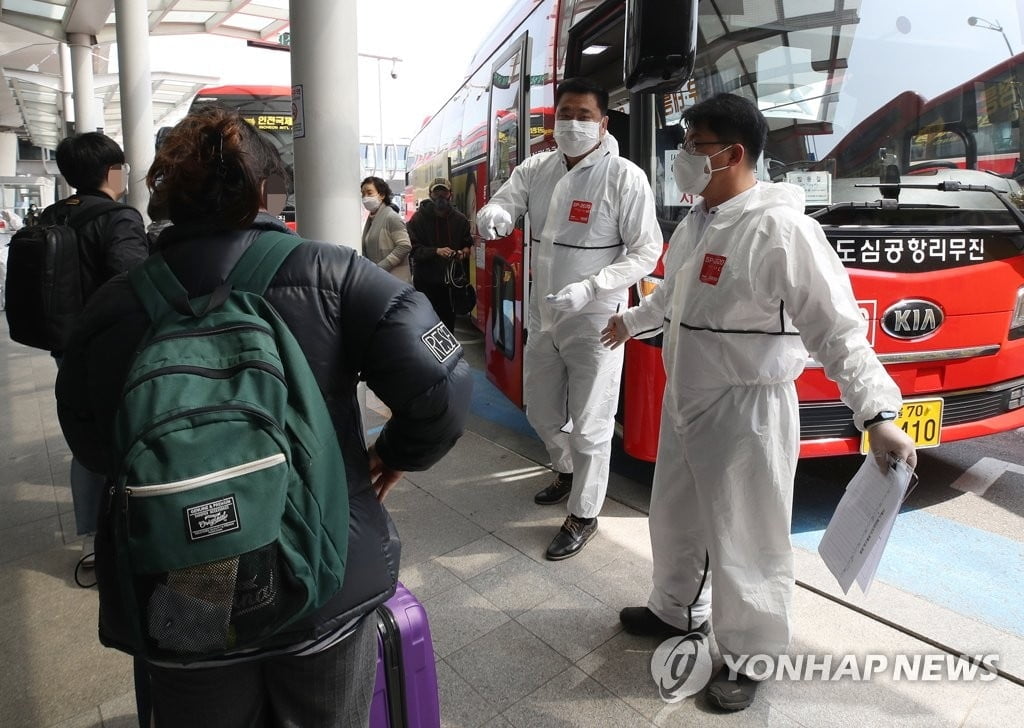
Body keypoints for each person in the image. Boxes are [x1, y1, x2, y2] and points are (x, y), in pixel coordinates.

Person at [55, 105, 472, 727]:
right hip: (323, 573)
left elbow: (89, 439)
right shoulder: (333, 273)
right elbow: (444, 375)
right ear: (267, 190)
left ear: (168, 195)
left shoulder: (116, 306)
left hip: (182, 578)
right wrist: (394, 455)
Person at [601, 93, 917, 711]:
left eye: (692, 146)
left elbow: (839, 330)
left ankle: (750, 655)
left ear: (732, 154)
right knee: (674, 517)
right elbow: (672, 298)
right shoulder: (697, 223)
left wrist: (877, 414)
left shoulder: (783, 230)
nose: (681, 159)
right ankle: (675, 610)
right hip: (686, 399)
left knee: (749, 537)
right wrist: (633, 322)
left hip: (748, 411)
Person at [476, 77, 661, 561]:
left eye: (583, 116)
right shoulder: (537, 167)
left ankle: (584, 513)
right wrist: (493, 216)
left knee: (593, 425)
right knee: (539, 410)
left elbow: (646, 250)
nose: (572, 124)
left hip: (597, 321)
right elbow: (505, 202)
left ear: (602, 124)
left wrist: (595, 286)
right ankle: (565, 468)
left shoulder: (624, 177)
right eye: (565, 115)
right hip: (545, 315)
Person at [43, 132, 150, 570]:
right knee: (126, 435)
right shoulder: (118, 218)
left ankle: (90, 538)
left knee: (86, 440)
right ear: (111, 171)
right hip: (111, 349)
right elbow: (135, 282)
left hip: (65, 344)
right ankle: (133, 533)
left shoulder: (52, 215)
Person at [407, 177, 473, 332]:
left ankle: (447, 355)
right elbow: (413, 250)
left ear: (450, 194)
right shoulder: (418, 220)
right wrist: (436, 251)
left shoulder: (460, 220)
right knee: (425, 325)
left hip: (449, 286)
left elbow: (467, 246)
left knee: (447, 326)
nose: (440, 196)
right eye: (437, 192)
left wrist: (462, 253)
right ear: (430, 195)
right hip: (425, 283)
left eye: (444, 192)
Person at [361, 176, 412, 282]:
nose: (365, 197)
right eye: (363, 194)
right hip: (380, 280)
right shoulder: (371, 220)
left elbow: (404, 246)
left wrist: (381, 267)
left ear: (382, 195)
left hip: (395, 281)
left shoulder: (391, 217)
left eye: (369, 193)